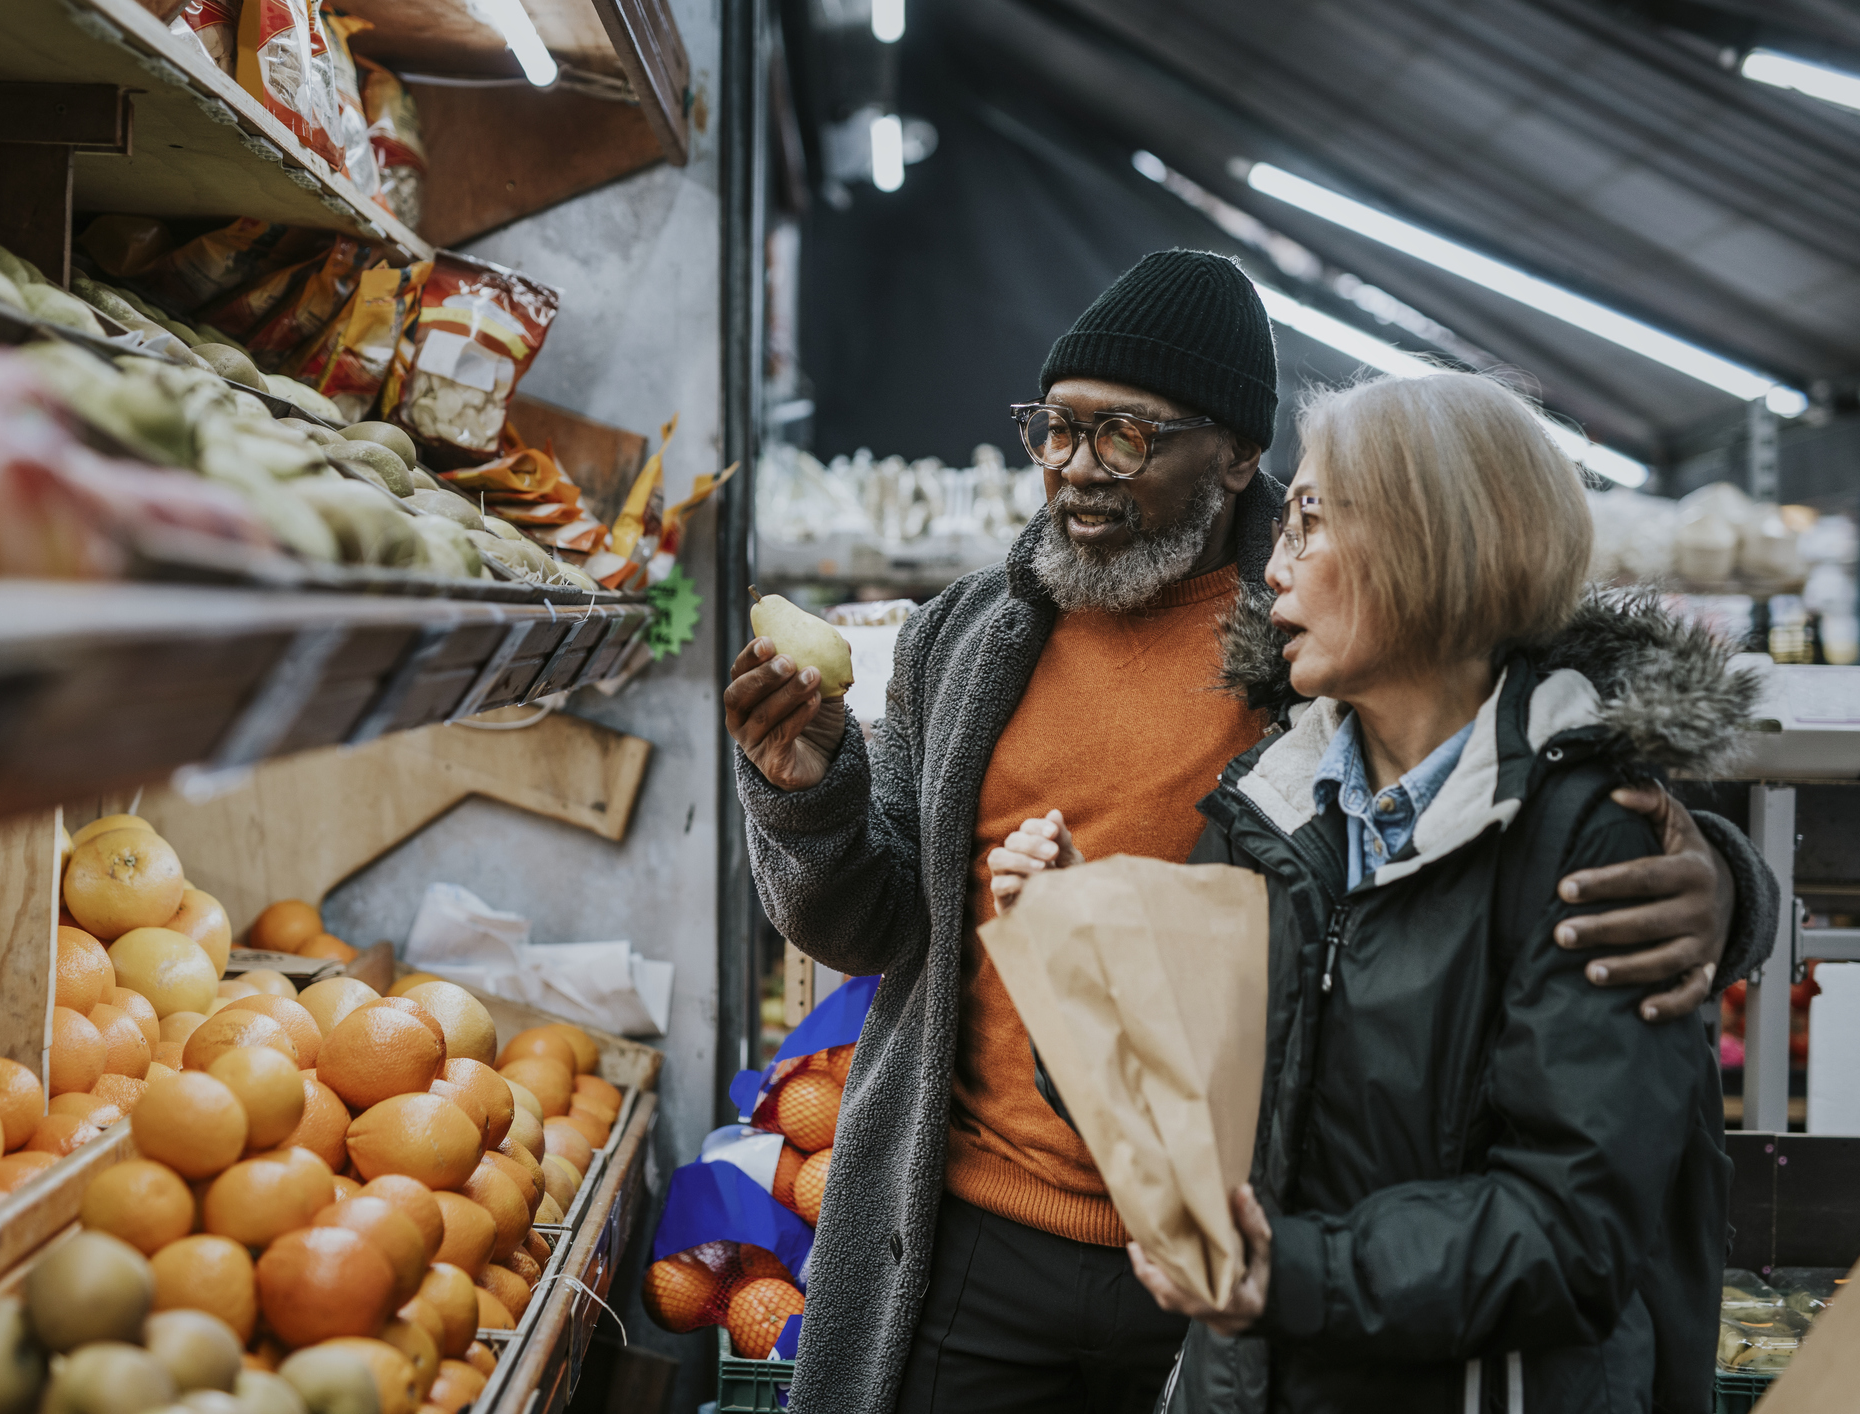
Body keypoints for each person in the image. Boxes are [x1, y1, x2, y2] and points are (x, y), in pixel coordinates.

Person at [723, 250, 1774, 1414]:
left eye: (1121, 436)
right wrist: (809, 791)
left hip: (1250, 1257)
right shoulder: (970, 643)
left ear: (1233, 456)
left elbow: (1529, 728)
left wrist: (1721, 883)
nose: (1075, 468)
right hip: (986, 1224)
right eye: (1052, 431)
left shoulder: (1313, 651)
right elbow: (872, 923)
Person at [996, 372, 1740, 1411]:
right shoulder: (1271, 808)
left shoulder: (1592, 839)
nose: (1270, 568)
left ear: (1428, 539)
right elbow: (1167, 1124)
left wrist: (1289, 1274)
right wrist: (1073, 953)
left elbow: (1570, 1234)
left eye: (1305, 519)